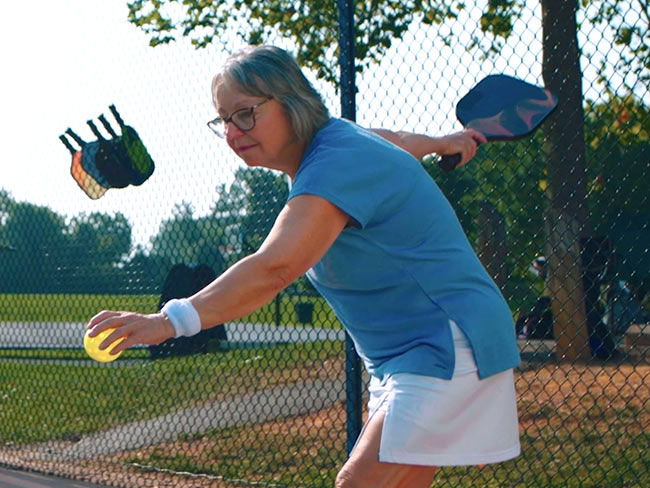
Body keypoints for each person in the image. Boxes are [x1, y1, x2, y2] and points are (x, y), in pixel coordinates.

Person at [87, 45, 521, 488]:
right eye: (223, 120)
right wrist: (442, 142)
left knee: (356, 483)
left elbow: (275, 268)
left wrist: (168, 321)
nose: (234, 132)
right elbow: (394, 141)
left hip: (448, 345)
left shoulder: (336, 162)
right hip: (406, 356)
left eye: (245, 114)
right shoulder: (338, 145)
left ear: (292, 100)